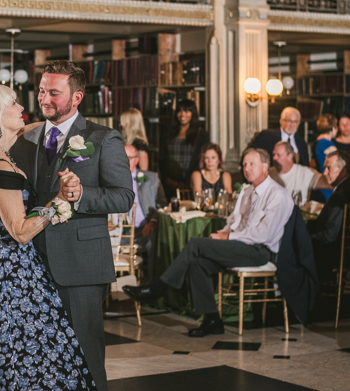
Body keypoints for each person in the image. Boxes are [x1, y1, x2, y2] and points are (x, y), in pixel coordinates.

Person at [0, 60, 133, 391]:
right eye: (41, 91)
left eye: (54, 92)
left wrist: (81, 195)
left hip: (79, 267)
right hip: (27, 270)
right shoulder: (22, 137)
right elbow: (2, 192)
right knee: (42, 365)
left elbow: (123, 197)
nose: (43, 98)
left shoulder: (103, 137)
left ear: (76, 97)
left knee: (85, 360)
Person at [123, 148, 293, 337]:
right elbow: (234, 220)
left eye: (251, 164)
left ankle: (157, 288)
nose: (247, 168)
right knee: (198, 263)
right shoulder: (247, 192)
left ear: (265, 166)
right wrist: (225, 231)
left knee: (196, 244)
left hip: (261, 251)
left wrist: (228, 237)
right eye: (244, 164)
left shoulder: (277, 194)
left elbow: (264, 234)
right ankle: (212, 320)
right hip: (241, 245)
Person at [308, 150, 350, 282]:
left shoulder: (341, 196)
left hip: (336, 254)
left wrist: (305, 239)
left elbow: (329, 235)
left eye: (328, 168)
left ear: (343, 170)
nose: (324, 173)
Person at [117, 144, 167, 280]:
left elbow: (162, 205)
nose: (125, 161)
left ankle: (152, 286)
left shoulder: (152, 178)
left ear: (136, 160)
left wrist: (153, 222)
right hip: (120, 230)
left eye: (129, 157)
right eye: (122, 157)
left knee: (154, 242)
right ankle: (110, 292)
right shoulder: (112, 179)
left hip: (145, 228)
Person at [160, 99, 209, 198]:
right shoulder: (169, 132)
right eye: (179, 111)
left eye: (186, 111)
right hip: (169, 185)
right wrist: (168, 180)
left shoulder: (202, 135)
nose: (182, 114)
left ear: (193, 113)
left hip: (192, 184)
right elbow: (162, 158)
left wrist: (186, 182)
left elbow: (202, 160)